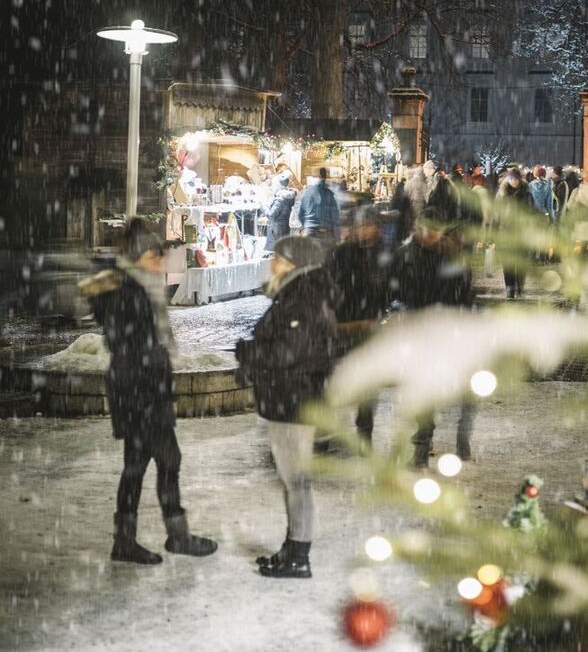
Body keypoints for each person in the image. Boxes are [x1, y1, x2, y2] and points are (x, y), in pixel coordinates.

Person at [79, 218, 217, 565]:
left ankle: (129, 539)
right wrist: (159, 390)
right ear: (140, 258)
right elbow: (137, 348)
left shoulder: (130, 287)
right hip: (141, 390)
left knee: (138, 465)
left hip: (136, 388)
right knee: (166, 460)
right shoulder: (130, 292)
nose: (159, 263)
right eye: (155, 257)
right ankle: (175, 536)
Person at [236, 235, 339, 578]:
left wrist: (250, 354)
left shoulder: (303, 297)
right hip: (292, 396)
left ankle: (298, 555)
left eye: (277, 258)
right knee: (293, 479)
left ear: (294, 264)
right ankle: (292, 547)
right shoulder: (298, 293)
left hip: (294, 399)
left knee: (296, 480)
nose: (271, 263)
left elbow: (290, 352)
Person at [391, 207, 476, 465]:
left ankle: (462, 435)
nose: (429, 236)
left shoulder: (451, 257)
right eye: (425, 230)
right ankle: (424, 436)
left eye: (434, 232)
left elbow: (464, 293)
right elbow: (394, 290)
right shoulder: (405, 255)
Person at [331, 208, 391, 447]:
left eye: (373, 225)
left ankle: (364, 433)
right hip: (343, 326)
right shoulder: (341, 254)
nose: (370, 230)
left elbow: (387, 288)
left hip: (370, 328)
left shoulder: (381, 255)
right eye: (365, 225)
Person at [496, 168, 534, 299]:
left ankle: (520, 287)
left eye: (516, 179)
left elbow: (531, 212)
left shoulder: (527, 193)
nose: (513, 181)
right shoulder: (501, 194)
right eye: (511, 178)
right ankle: (510, 290)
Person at [296, 167, 341, 253]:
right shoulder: (329, 194)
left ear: (317, 176)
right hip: (325, 234)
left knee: (308, 263)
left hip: (309, 233)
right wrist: (337, 237)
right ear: (326, 177)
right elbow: (335, 217)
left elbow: (300, 214)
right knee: (326, 263)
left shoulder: (307, 192)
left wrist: (306, 226)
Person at [265, 171, 296, 251]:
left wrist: (263, 206)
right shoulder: (288, 196)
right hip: (284, 229)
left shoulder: (280, 199)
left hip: (276, 232)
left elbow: (271, 215)